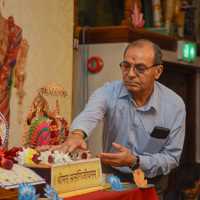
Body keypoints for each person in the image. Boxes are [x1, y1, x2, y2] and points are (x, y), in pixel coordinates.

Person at [50, 39, 186, 200]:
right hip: (111, 175)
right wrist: (77, 134)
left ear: (158, 71)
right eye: (126, 66)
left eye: (140, 68)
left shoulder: (174, 106)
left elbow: (171, 157)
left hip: (151, 180)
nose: (131, 74)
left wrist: (135, 161)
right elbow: (91, 113)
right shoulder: (108, 92)